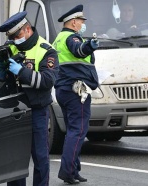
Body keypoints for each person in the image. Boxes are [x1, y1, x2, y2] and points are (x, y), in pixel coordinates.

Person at [0, 11, 59, 186]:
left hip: (37, 110)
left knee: (40, 156)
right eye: (11, 36)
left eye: (17, 35)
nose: (15, 39)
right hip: (14, 110)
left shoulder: (47, 50)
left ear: (26, 29)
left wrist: (22, 72)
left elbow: (47, 81)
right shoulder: (10, 48)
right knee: (15, 157)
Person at [52, 4, 99, 184]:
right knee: (78, 131)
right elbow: (78, 50)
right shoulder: (72, 37)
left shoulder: (58, 38)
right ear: (73, 22)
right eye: (81, 21)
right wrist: (89, 46)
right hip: (75, 90)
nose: (82, 24)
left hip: (64, 89)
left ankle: (74, 169)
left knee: (73, 131)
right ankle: (68, 171)